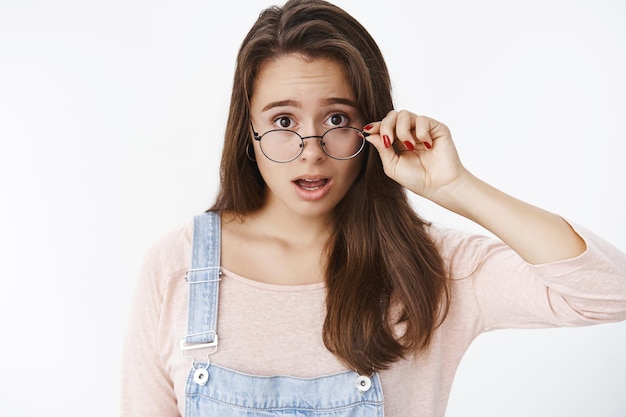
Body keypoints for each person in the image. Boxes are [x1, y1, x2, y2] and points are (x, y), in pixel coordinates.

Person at [121, 0, 626, 416]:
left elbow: (609, 293)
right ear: (246, 135)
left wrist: (455, 186)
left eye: (337, 117)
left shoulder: (431, 268)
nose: (312, 149)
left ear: (373, 127)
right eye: (282, 121)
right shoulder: (177, 266)